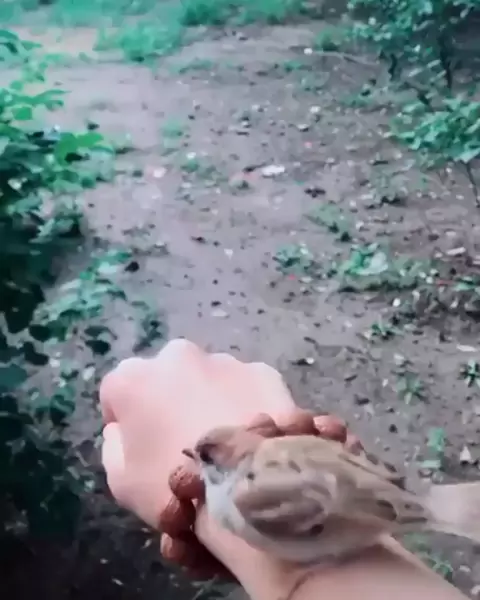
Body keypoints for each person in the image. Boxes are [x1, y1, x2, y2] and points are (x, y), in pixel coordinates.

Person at [100, 338, 467, 600]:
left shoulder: (249, 496)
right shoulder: (270, 458)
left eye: (205, 459)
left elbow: (343, 517)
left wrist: (299, 584)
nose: (194, 463)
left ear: (225, 466)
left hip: (374, 511)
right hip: (383, 497)